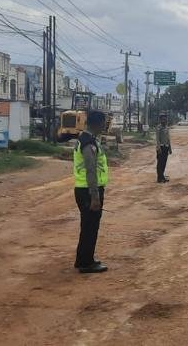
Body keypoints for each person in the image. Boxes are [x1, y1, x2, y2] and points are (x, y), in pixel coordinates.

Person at [72, 111, 109, 273]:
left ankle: (84, 259)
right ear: (96, 124)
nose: (104, 126)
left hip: (85, 189)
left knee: (88, 226)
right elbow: (91, 171)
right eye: (103, 123)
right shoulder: (88, 143)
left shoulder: (87, 139)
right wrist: (95, 197)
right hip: (88, 191)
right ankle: (86, 263)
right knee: (90, 227)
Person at [155, 113, 172, 183]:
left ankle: (162, 177)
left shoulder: (167, 128)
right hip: (161, 147)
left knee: (164, 163)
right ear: (160, 120)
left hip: (166, 147)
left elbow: (168, 139)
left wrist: (170, 148)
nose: (164, 120)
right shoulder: (158, 128)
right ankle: (160, 178)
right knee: (160, 163)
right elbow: (157, 139)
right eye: (163, 119)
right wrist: (159, 148)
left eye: (165, 119)